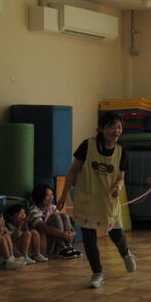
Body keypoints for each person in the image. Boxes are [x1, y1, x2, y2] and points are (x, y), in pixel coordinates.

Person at [58, 112, 136, 289]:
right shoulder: (87, 145)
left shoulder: (121, 151)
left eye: (119, 127)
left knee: (116, 235)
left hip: (108, 202)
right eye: (111, 126)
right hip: (87, 200)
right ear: (101, 129)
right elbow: (73, 171)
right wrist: (63, 195)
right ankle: (97, 273)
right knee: (89, 238)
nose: (116, 130)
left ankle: (126, 253)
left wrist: (117, 188)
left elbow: (121, 178)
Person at [28, 183, 81, 259]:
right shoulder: (33, 210)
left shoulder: (52, 207)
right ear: (40, 197)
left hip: (57, 241)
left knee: (64, 215)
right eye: (48, 196)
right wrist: (63, 234)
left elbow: (69, 225)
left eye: (52, 195)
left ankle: (68, 247)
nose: (51, 198)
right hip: (45, 244)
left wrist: (71, 233)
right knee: (55, 217)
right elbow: (42, 227)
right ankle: (62, 248)